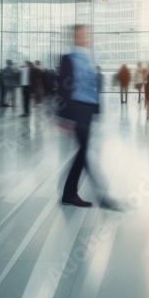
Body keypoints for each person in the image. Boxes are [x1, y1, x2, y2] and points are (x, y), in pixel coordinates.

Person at [56, 25, 105, 208]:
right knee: (83, 150)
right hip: (76, 109)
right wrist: (64, 117)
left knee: (82, 151)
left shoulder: (88, 58)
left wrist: (96, 109)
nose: (86, 36)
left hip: (87, 109)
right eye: (82, 34)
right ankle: (71, 192)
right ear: (75, 37)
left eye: (86, 33)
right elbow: (63, 87)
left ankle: (69, 191)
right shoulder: (69, 59)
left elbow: (93, 85)